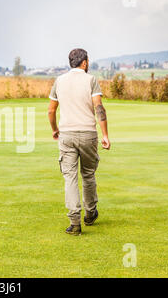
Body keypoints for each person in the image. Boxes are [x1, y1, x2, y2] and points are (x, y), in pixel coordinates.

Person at [48, 48, 110, 236]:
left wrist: (54, 130)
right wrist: (105, 134)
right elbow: (98, 107)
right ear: (84, 63)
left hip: (66, 134)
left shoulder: (59, 81)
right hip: (88, 133)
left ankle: (74, 222)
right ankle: (90, 214)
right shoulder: (90, 80)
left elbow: (51, 111)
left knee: (70, 178)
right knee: (88, 174)